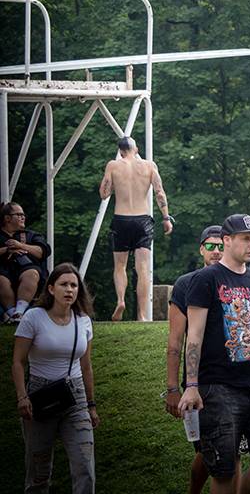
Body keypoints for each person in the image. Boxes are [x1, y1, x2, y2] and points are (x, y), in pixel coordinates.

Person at [178, 214, 250, 494]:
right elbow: (193, 336)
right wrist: (191, 386)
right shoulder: (206, 279)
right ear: (227, 240)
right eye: (245, 238)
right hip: (217, 387)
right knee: (224, 471)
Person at [166, 225, 243, 494]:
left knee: (233, 452)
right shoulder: (186, 283)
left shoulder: (237, 279)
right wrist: (174, 388)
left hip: (237, 380)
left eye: (220, 245)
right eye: (210, 246)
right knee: (208, 449)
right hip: (201, 382)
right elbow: (175, 342)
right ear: (201, 249)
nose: (216, 251)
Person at [12, 262, 99, 494]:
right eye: (63, 284)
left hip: (76, 395)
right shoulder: (34, 318)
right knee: (39, 472)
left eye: (74, 285)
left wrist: (91, 405)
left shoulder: (83, 320)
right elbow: (18, 362)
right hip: (40, 395)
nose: (69, 289)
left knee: (85, 467)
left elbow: (86, 365)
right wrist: (22, 397)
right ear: (51, 289)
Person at [99, 135, 173, 322]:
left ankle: (121, 301)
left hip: (121, 219)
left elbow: (104, 193)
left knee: (120, 267)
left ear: (120, 151)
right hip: (143, 221)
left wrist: (115, 183)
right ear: (136, 149)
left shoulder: (113, 165)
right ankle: (141, 314)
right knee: (143, 268)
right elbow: (159, 192)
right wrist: (166, 218)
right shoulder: (149, 166)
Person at [1, 201, 51, 324]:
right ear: (7, 218)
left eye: (23, 214)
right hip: (3, 272)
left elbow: (42, 251)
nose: (23, 217)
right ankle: (13, 313)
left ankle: (19, 313)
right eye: (19, 214)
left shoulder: (31, 235)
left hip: (28, 272)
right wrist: (7, 249)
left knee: (32, 274)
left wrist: (21, 246)